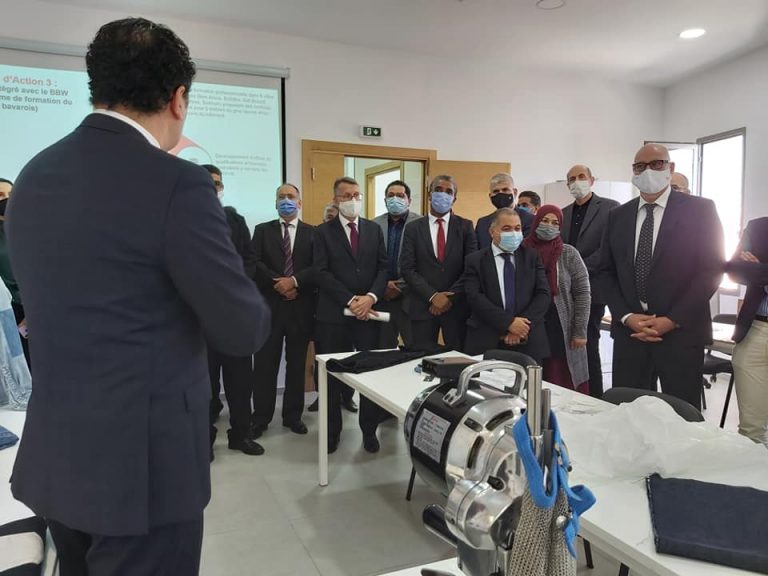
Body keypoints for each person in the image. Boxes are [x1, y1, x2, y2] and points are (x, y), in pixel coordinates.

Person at [6, 18, 270, 575]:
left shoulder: (33, 175)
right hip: (145, 468)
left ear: (96, 86)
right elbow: (241, 328)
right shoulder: (178, 183)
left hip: (59, 457)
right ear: (178, 98)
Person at [600, 144, 723, 408]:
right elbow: (605, 273)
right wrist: (627, 316)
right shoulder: (617, 216)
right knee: (629, 414)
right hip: (631, 335)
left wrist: (672, 319)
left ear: (670, 167)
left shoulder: (700, 210)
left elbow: (711, 270)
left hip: (681, 335)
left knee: (681, 417)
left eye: (656, 164)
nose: (647, 171)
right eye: (639, 166)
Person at [313, 177, 389, 453]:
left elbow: (383, 268)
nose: (353, 200)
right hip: (333, 317)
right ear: (336, 199)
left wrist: (370, 298)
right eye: (346, 195)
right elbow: (321, 272)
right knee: (332, 377)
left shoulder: (373, 229)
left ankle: (369, 431)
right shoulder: (322, 232)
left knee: (369, 374)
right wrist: (350, 299)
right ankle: (332, 433)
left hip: (368, 315)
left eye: (356, 195)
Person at [201, 164, 263, 457]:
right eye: (207, 182)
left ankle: (241, 435)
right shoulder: (180, 218)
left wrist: (233, 285)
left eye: (217, 183)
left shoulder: (235, 220)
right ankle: (204, 439)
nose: (213, 187)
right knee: (204, 384)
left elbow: (250, 260)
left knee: (240, 382)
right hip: (200, 320)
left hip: (234, 317)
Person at [250, 183, 315, 438]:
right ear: (275, 202)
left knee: (297, 366)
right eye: (281, 197)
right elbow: (254, 262)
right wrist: (278, 283)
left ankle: (293, 416)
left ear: (299, 202)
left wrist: (295, 282)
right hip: (270, 308)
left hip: (300, 307)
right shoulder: (262, 230)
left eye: (291, 196)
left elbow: (317, 267)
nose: (286, 200)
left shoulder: (313, 233)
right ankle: (261, 418)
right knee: (264, 366)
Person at [561, 164, 619, 398]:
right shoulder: (564, 213)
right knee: (570, 345)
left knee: (588, 343)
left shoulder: (610, 208)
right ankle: (573, 392)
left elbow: (608, 249)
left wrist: (577, 270)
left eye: (581, 176)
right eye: (571, 179)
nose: (577, 182)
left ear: (592, 180)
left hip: (593, 288)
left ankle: (595, 396)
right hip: (566, 290)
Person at [400, 175, 477, 352]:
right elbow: (407, 268)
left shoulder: (465, 227)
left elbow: (471, 267)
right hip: (422, 306)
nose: (443, 194)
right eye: (438, 190)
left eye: (449, 192)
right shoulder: (413, 228)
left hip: (456, 308)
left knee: (457, 361)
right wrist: (433, 296)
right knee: (419, 359)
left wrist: (449, 297)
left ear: (454, 198)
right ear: (429, 195)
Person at [463, 208, 551, 361]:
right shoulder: (475, 260)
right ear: (492, 232)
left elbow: (543, 294)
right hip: (487, 338)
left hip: (528, 338)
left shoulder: (532, 257)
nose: (513, 233)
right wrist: (509, 323)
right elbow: (474, 297)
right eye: (506, 229)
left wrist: (520, 327)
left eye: (517, 228)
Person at [523, 205, 591, 392]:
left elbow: (583, 292)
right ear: (536, 221)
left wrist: (580, 331)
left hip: (561, 326)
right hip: (531, 323)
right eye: (544, 221)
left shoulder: (568, 253)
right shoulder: (522, 250)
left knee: (561, 377)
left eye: (555, 223)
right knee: (532, 377)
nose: (549, 226)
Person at [725, 218, 768, 445]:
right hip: (754, 331)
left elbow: (749, 271)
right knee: (751, 431)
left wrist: (759, 269)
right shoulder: (759, 227)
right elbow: (733, 270)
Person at [373, 180, 420, 348]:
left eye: (400, 196)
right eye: (391, 195)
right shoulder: (374, 224)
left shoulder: (420, 224)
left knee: (415, 348)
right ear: (385, 200)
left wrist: (400, 285)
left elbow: (423, 263)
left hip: (412, 296)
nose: (395, 199)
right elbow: (370, 261)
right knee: (382, 349)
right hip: (382, 296)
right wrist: (383, 285)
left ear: (409, 200)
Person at [0, 178, 29, 365]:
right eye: (0, 195)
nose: (6, 199)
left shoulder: (31, 227)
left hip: (42, 307)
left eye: (11, 194)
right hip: (12, 315)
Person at [475, 173, 534, 248]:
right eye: (496, 191)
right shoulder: (482, 223)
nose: (501, 194)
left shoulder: (530, 220)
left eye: (505, 190)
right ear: (490, 196)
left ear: (515, 192)